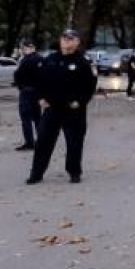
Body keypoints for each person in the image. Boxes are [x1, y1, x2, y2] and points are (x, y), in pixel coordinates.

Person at [26, 29, 97, 185]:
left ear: (77, 42)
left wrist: (80, 101)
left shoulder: (83, 61)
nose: (66, 41)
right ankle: (36, 173)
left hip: (73, 110)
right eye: (64, 38)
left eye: (71, 38)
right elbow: (39, 80)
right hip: (52, 109)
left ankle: (74, 172)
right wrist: (40, 98)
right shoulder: (50, 59)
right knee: (43, 142)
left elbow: (90, 85)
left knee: (74, 143)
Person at [14, 39, 42, 151]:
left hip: (27, 91)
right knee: (38, 118)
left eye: (22, 48)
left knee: (26, 118)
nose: (22, 50)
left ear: (27, 48)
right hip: (39, 92)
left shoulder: (25, 60)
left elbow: (18, 75)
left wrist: (20, 86)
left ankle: (29, 143)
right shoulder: (41, 59)